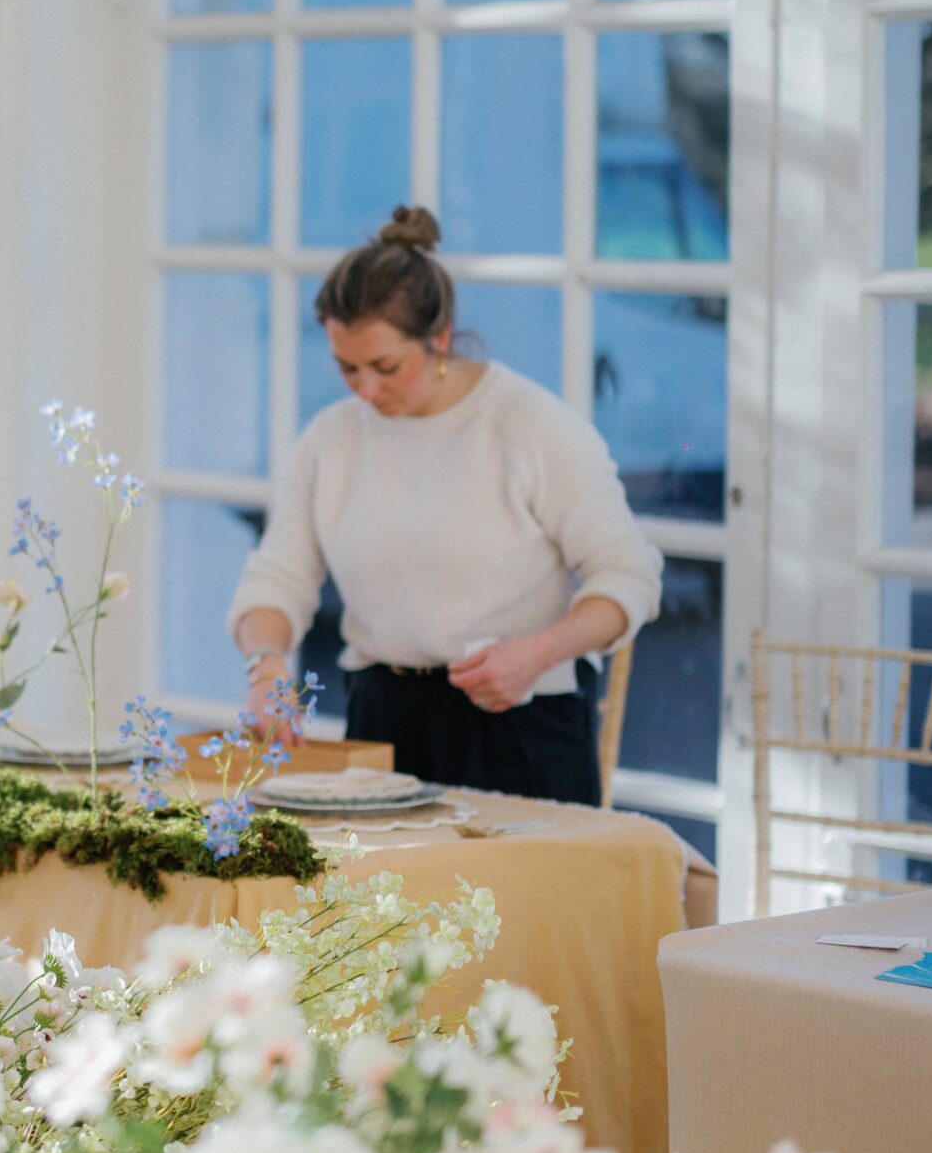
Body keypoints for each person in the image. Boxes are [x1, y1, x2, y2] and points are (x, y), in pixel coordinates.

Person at [228, 206, 662, 804]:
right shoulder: (331, 441)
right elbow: (275, 582)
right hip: (382, 725)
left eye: (385, 367)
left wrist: (536, 654)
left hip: (522, 721)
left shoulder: (529, 426)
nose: (367, 390)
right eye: (347, 369)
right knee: (375, 900)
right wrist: (266, 663)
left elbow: (628, 576)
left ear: (439, 337)